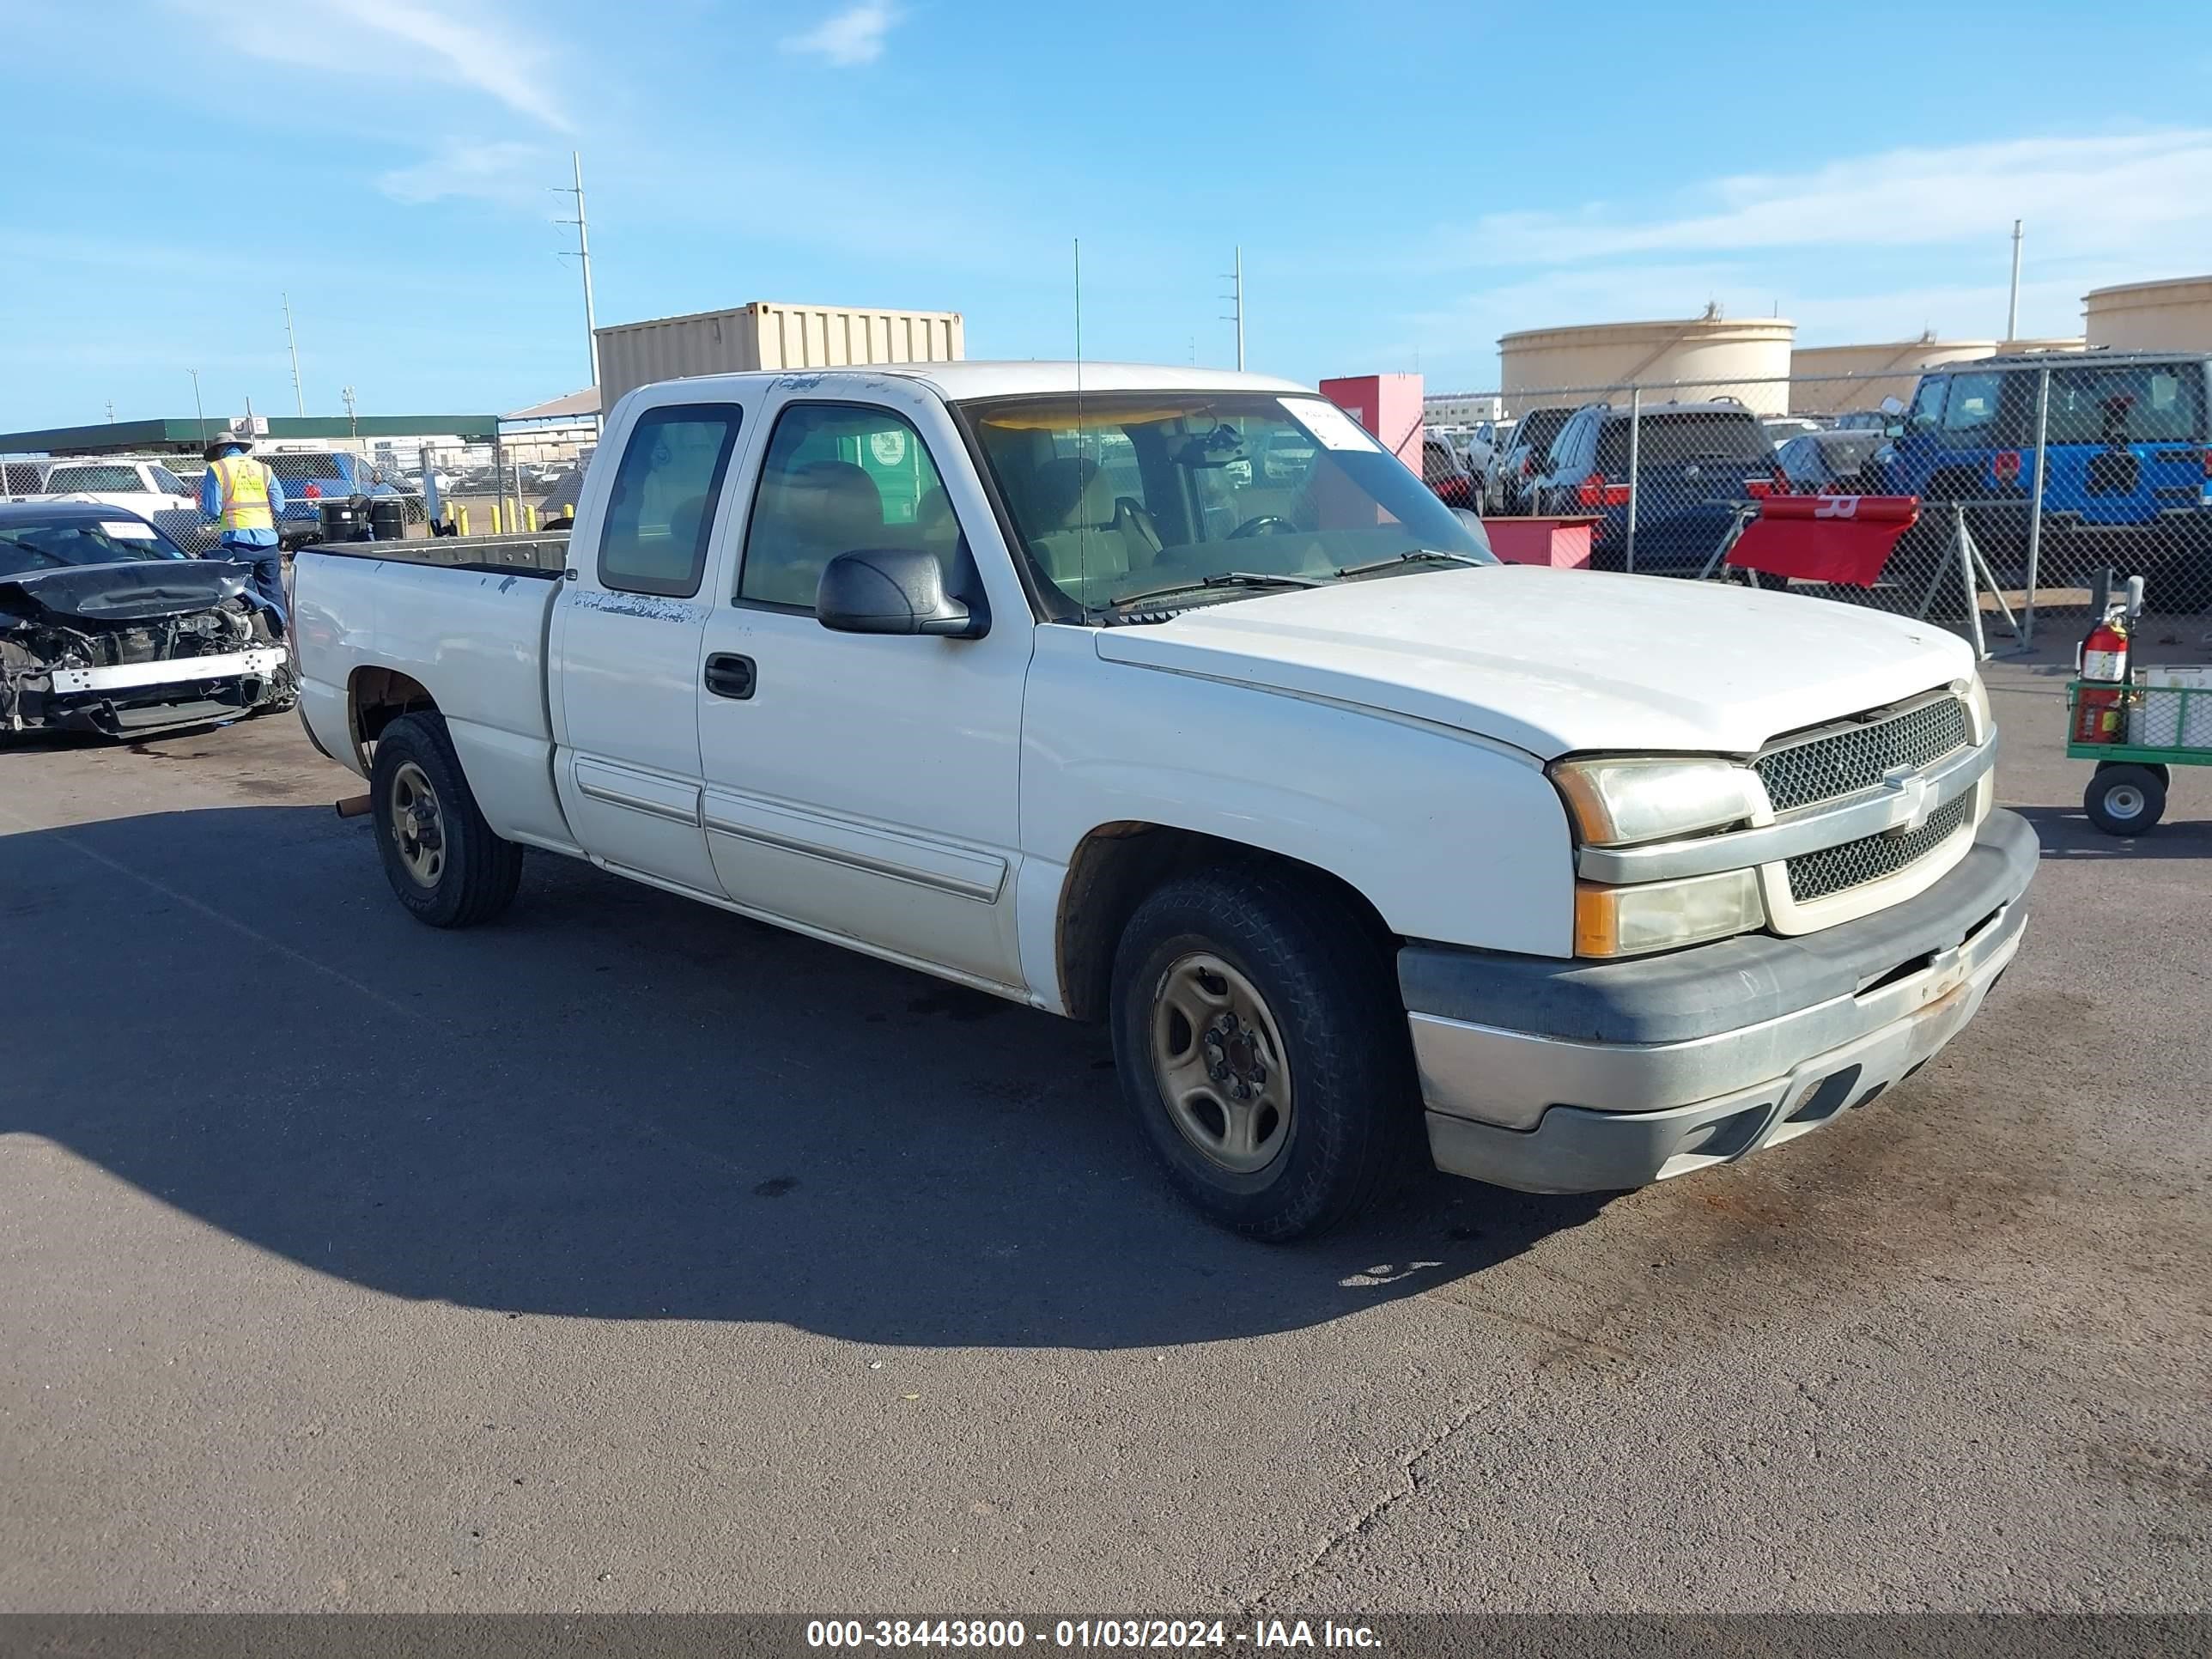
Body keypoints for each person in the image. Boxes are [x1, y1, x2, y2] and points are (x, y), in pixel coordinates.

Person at [198, 432, 289, 634]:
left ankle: (256, 636)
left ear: (219, 451)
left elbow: (212, 509)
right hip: (268, 540)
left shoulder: (217, 468)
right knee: (273, 590)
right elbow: (279, 506)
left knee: (246, 594)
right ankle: (281, 631)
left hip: (238, 540)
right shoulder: (264, 469)